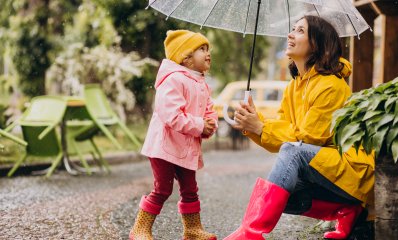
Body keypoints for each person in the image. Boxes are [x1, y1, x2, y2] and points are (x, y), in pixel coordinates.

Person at [224, 16, 374, 240]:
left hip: (352, 170)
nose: (290, 34)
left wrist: (262, 127)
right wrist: (254, 124)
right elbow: (285, 132)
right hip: (325, 168)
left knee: (292, 156)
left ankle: (251, 233)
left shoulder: (331, 85)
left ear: (317, 44)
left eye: (300, 31)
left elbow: (308, 139)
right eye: (292, 29)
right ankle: (345, 210)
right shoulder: (294, 86)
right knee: (283, 186)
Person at [129, 29, 218, 240]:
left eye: (208, 49)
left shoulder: (201, 83)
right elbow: (170, 114)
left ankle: (193, 230)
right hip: (164, 147)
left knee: (190, 189)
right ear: (186, 58)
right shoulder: (173, 80)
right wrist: (198, 125)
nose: (208, 53)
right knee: (163, 188)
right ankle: (140, 229)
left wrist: (210, 123)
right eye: (202, 49)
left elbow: (209, 109)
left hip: (186, 148)